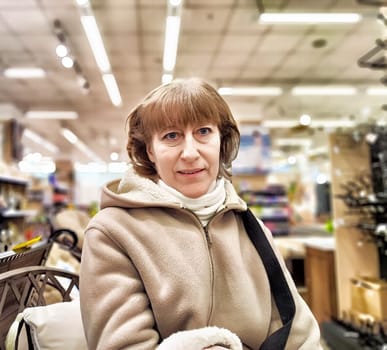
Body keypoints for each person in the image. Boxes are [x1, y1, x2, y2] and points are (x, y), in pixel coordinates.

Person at [79, 78, 322, 350]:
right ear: (150, 150)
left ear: (221, 140)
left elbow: (300, 334)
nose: (190, 152)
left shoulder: (251, 228)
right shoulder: (113, 232)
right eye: (171, 136)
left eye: (203, 131)